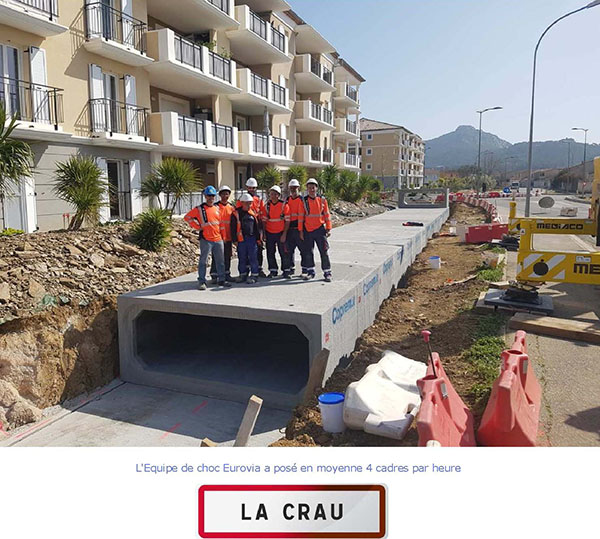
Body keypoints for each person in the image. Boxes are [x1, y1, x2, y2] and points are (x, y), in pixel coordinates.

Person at [184, 186, 232, 290]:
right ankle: (202, 281)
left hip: (218, 239)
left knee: (221, 261)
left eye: (212, 196)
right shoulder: (200, 209)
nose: (211, 198)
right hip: (206, 239)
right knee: (203, 261)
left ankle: (222, 279)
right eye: (209, 196)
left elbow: (221, 224)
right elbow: (187, 217)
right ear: (205, 196)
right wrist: (198, 227)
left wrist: (223, 237)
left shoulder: (217, 209)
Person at [302, 178, 332, 282]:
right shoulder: (304, 201)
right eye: (309, 188)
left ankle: (327, 272)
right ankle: (311, 272)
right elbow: (301, 217)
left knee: (324, 251)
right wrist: (301, 231)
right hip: (308, 230)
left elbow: (327, 215)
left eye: (313, 187)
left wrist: (328, 228)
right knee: (308, 252)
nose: (311, 190)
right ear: (307, 189)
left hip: (320, 230)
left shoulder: (322, 200)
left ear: (316, 188)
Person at [237, 177, 267, 278]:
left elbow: (262, 214)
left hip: (257, 226)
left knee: (258, 249)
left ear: (256, 188)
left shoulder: (259, 199)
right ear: (247, 187)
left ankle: (259, 269)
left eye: (253, 188)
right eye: (250, 187)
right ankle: (246, 271)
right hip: (246, 226)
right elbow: (238, 213)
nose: (251, 189)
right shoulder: (242, 199)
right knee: (245, 252)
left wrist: (262, 231)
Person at [232, 193, 262, 285]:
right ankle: (243, 274)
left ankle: (254, 275)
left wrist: (258, 239)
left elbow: (257, 227)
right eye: (246, 203)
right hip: (241, 239)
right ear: (242, 203)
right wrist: (235, 240)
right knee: (242, 258)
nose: (248, 205)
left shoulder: (252, 213)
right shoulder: (236, 213)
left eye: (250, 203)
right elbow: (232, 228)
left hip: (252, 239)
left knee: (253, 257)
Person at [210, 185, 235, 284]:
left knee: (227, 256)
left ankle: (226, 274)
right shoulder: (215, 207)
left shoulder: (231, 208)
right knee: (216, 256)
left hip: (228, 237)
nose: (225, 196)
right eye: (223, 194)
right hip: (217, 237)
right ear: (220, 195)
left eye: (227, 194)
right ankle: (214, 275)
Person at [281, 179, 306, 280]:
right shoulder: (287, 200)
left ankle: (304, 269)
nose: (293, 190)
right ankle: (290, 269)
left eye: (295, 188)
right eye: (292, 188)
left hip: (300, 229)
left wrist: (302, 230)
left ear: (298, 188)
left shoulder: (302, 200)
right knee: (289, 251)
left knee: (303, 250)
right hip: (290, 229)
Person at [263, 185, 286, 278]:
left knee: (283, 252)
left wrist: (284, 234)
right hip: (270, 233)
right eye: (271, 194)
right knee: (270, 252)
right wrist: (264, 234)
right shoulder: (267, 206)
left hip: (280, 232)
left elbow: (287, 220)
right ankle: (273, 270)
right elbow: (264, 221)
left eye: (274, 194)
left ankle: (286, 270)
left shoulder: (283, 205)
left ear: (278, 195)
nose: (272, 196)